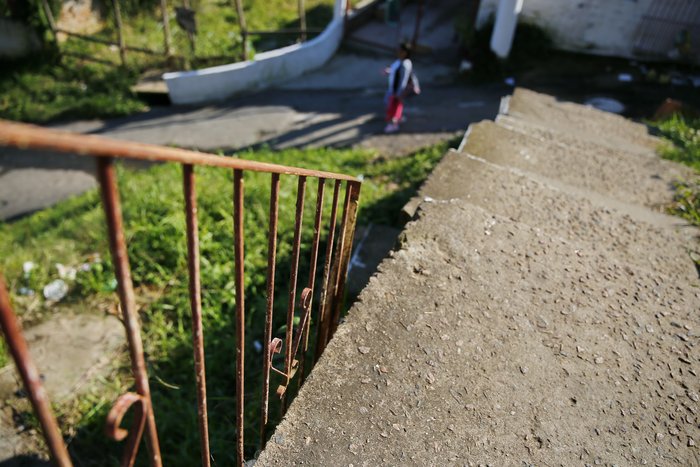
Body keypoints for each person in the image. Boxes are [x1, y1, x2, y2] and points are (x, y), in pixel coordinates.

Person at [383, 43, 419, 134]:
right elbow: (395, 71)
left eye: (400, 50)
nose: (397, 51)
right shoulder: (399, 61)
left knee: (392, 108)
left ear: (405, 52)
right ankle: (397, 120)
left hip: (396, 91)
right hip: (394, 90)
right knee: (395, 106)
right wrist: (389, 71)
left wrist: (398, 93)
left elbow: (403, 79)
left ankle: (393, 125)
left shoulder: (405, 64)